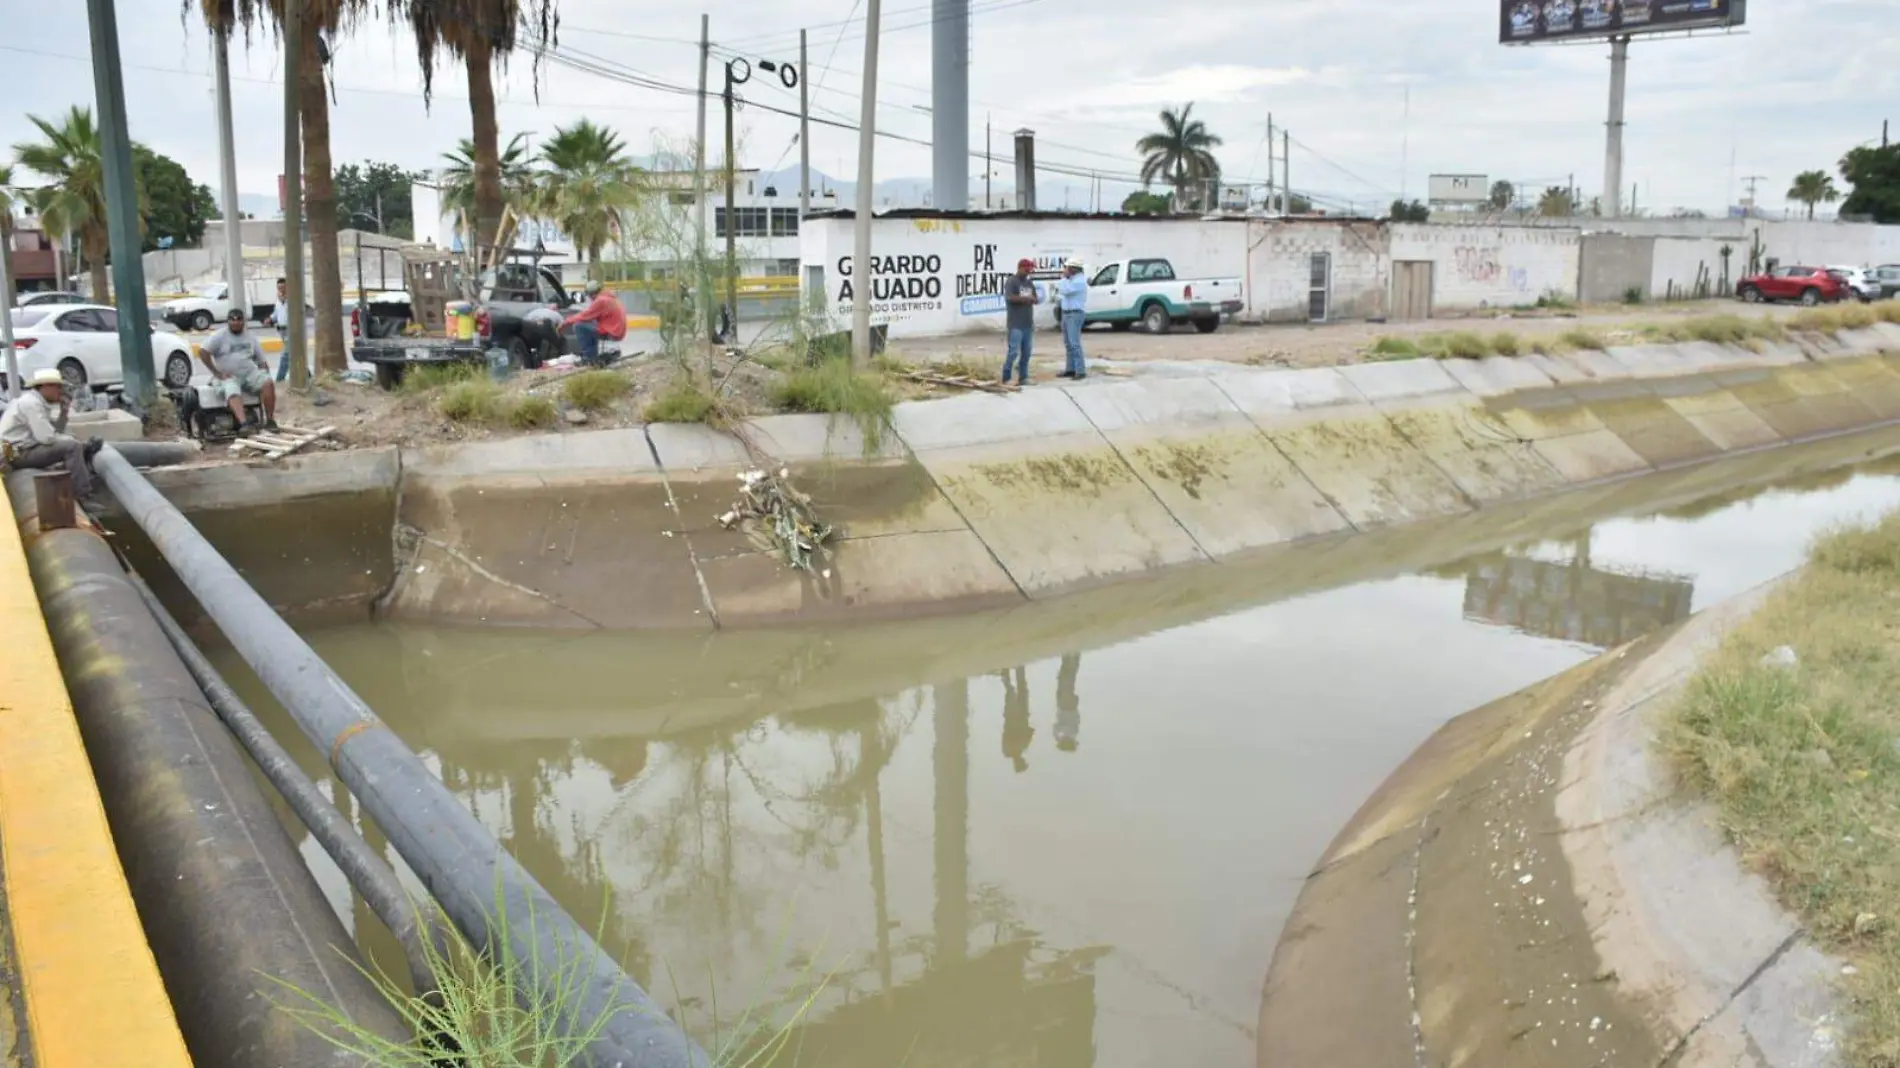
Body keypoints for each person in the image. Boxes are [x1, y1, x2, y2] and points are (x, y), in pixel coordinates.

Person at [1, 368, 103, 499]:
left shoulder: (36, 401)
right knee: (73, 446)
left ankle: (82, 466)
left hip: (20, 450)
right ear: (45, 386)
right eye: (58, 387)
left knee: (71, 443)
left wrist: (64, 413)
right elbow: (47, 438)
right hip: (16, 454)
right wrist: (73, 441)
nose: (60, 391)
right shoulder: (31, 404)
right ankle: (82, 494)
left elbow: (53, 432)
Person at [199, 308, 278, 434]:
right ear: (228, 321)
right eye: (232, 319)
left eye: (239, 319)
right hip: (229, 376)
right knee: (231, 388)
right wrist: (216, 373)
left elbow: (261, 361)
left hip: (249, 373)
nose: (236, 322)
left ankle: (270, 420)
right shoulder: (219, 336)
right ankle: (244, 424)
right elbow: (203, 352)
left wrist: (265, 373)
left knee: (268, 382)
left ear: (243, 322)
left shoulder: (250, 337)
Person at [563, 281, 628, 367]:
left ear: (592, 294)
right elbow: (591, 316)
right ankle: (593, 355)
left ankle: (588, 357)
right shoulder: (610, 298)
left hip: (610, 332)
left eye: (589, 296)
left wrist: (566, 322)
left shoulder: (601, 300)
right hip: (617, 331)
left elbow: (585, 315)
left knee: (579, 326)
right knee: (588, 324)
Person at [1001, 258, 1041, 386]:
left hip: (1028, 323)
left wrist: (1033, 299)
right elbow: (1010, 297)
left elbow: (1035, 298)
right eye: (1027, 269)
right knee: (1013, 351)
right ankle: (1006, 377)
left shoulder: (1029, 283)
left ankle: (1023, 377)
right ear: (1020, 268)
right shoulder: (1012, 281)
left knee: (1027, 352)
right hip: (1015, 323)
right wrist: (1025, 299)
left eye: (1031, 269)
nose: (1029, 272)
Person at [1055, 257, 1089, 379]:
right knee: (1068, 343)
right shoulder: (1070, 280)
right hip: (1066, 313)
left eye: (1067, 268)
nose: (1065, 270)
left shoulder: (1079, 281)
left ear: (1073, 269)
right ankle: (1070, 369)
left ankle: (1080, 370)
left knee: (1074, 343)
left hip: (1075, 314)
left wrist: (1062, 280)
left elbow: (1064, 290)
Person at [270, 277, 292, 381]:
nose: (281, 290)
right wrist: (270, 319)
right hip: (282, 330)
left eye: (283, 288)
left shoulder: (292, 299)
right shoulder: (278, 299)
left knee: (286, 354)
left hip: (291, 330)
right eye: (279, 288)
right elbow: (277, 313)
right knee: (293, 355)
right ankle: (306, 375)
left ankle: (279, 379)